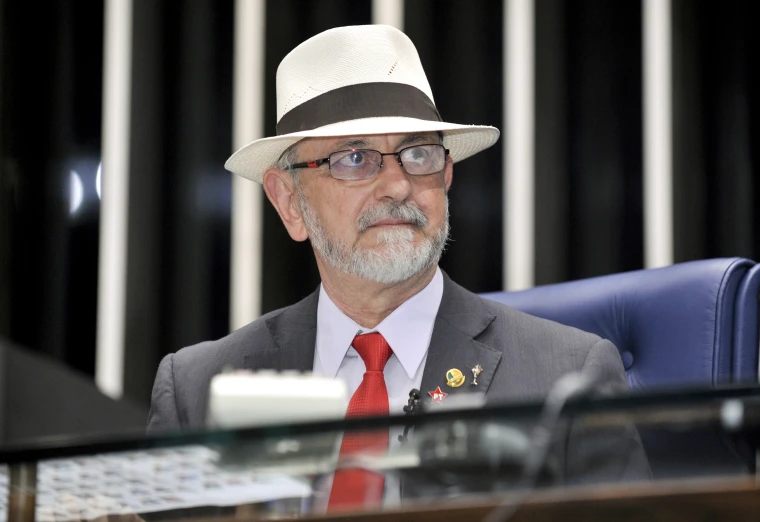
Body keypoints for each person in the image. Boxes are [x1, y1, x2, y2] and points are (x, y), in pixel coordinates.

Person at [147, 24, 648, 504]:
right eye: (355, 159)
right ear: (290, 203)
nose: (397, 185)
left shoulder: (564, 377)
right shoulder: (197, 390)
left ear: (446, 177)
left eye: (417, 154)